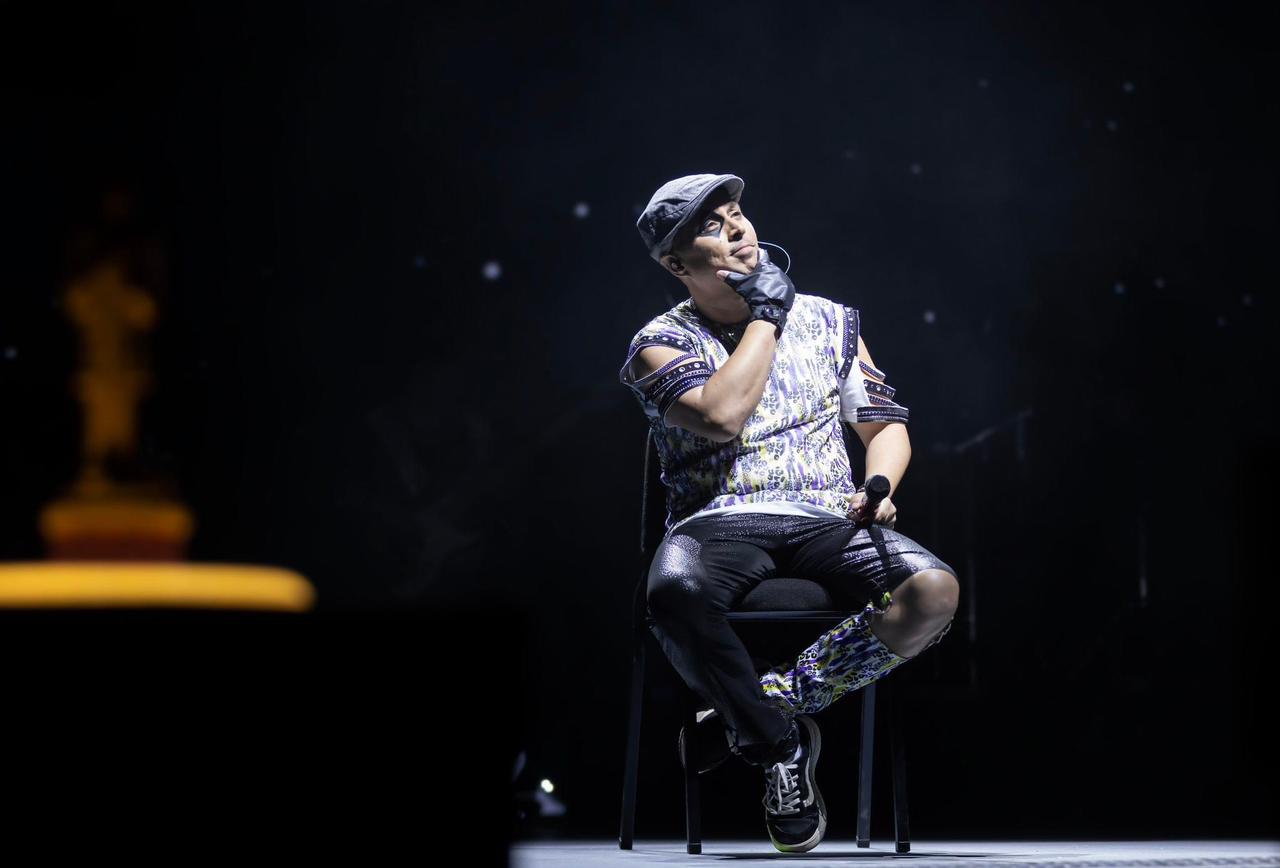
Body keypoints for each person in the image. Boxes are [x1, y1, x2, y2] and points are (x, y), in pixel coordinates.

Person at [620, 173, 960, 853]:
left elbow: (884, 425)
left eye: (735, 212)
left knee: (933, 591)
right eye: (710, 226)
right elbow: (721, 415)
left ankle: (767, 707)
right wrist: (766, 318)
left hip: (827, 517)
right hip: (718, 522)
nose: (737, 228)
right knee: (672, 593)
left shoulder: (831, 322)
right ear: (678, 265)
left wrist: (880, 483)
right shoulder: (657, 343)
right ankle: (779, 750)